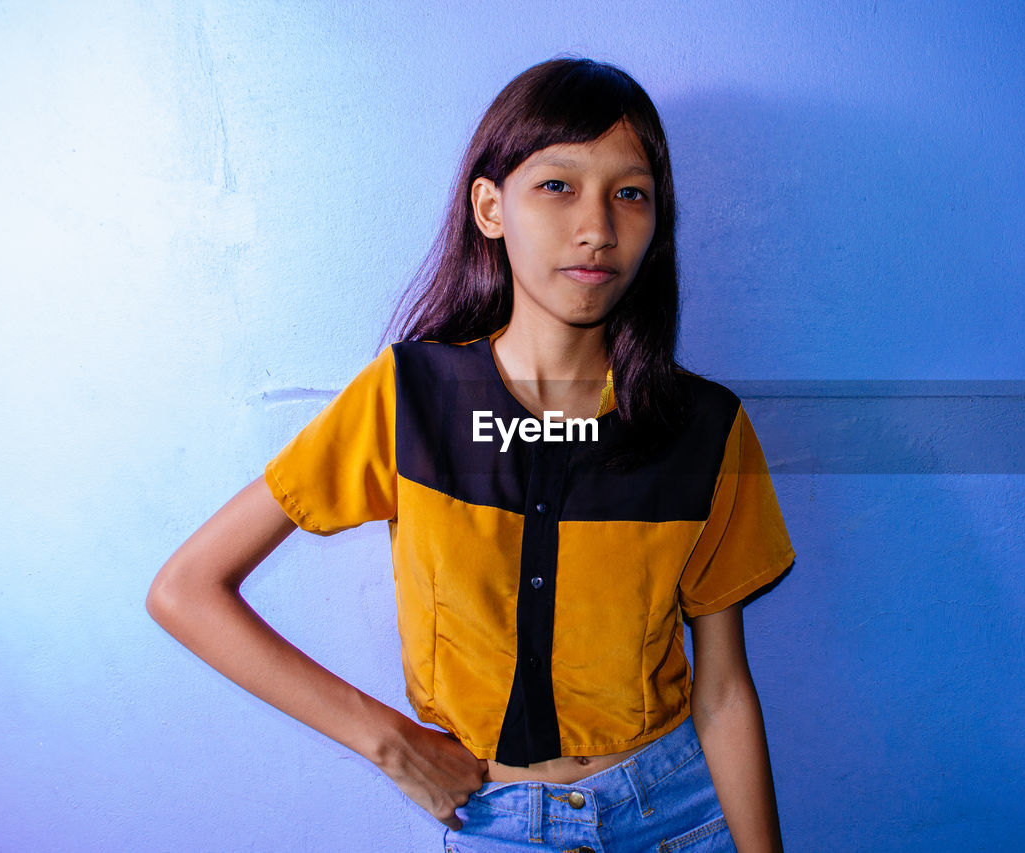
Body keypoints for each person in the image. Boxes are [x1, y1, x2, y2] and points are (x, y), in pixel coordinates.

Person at [148, 57, 795, 852]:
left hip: (679, 814)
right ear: (490, 206)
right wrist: (391, 742)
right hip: (501, 825)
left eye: (630, 193)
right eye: (557, 185)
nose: (596, 226)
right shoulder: (410, 398)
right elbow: (185, 590)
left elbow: (724, 689)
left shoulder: (704, 426)